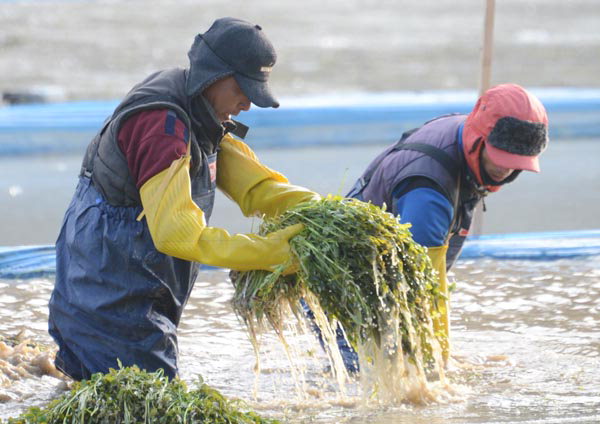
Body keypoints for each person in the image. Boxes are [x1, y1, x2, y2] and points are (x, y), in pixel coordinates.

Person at [48, 17, 319, 381]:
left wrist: (325, 213)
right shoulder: (161, 126)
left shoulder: (198, 112)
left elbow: (257, 190)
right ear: (214, 75)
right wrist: (271, 253)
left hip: (139, 292)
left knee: (115, 396)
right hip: (108, 298)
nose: (246, 105)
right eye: (244, 89)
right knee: (141, 401)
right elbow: (178, 234)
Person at [339, 83, 549, 371]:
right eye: (500, 157)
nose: (506, 170)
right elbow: (425, 289)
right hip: (346, 290)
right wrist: (436, 367)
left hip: (383, 280)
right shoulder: (429, 193)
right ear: (478, 138)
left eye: (516, 163)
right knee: (366, 380)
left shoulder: (463, 135)